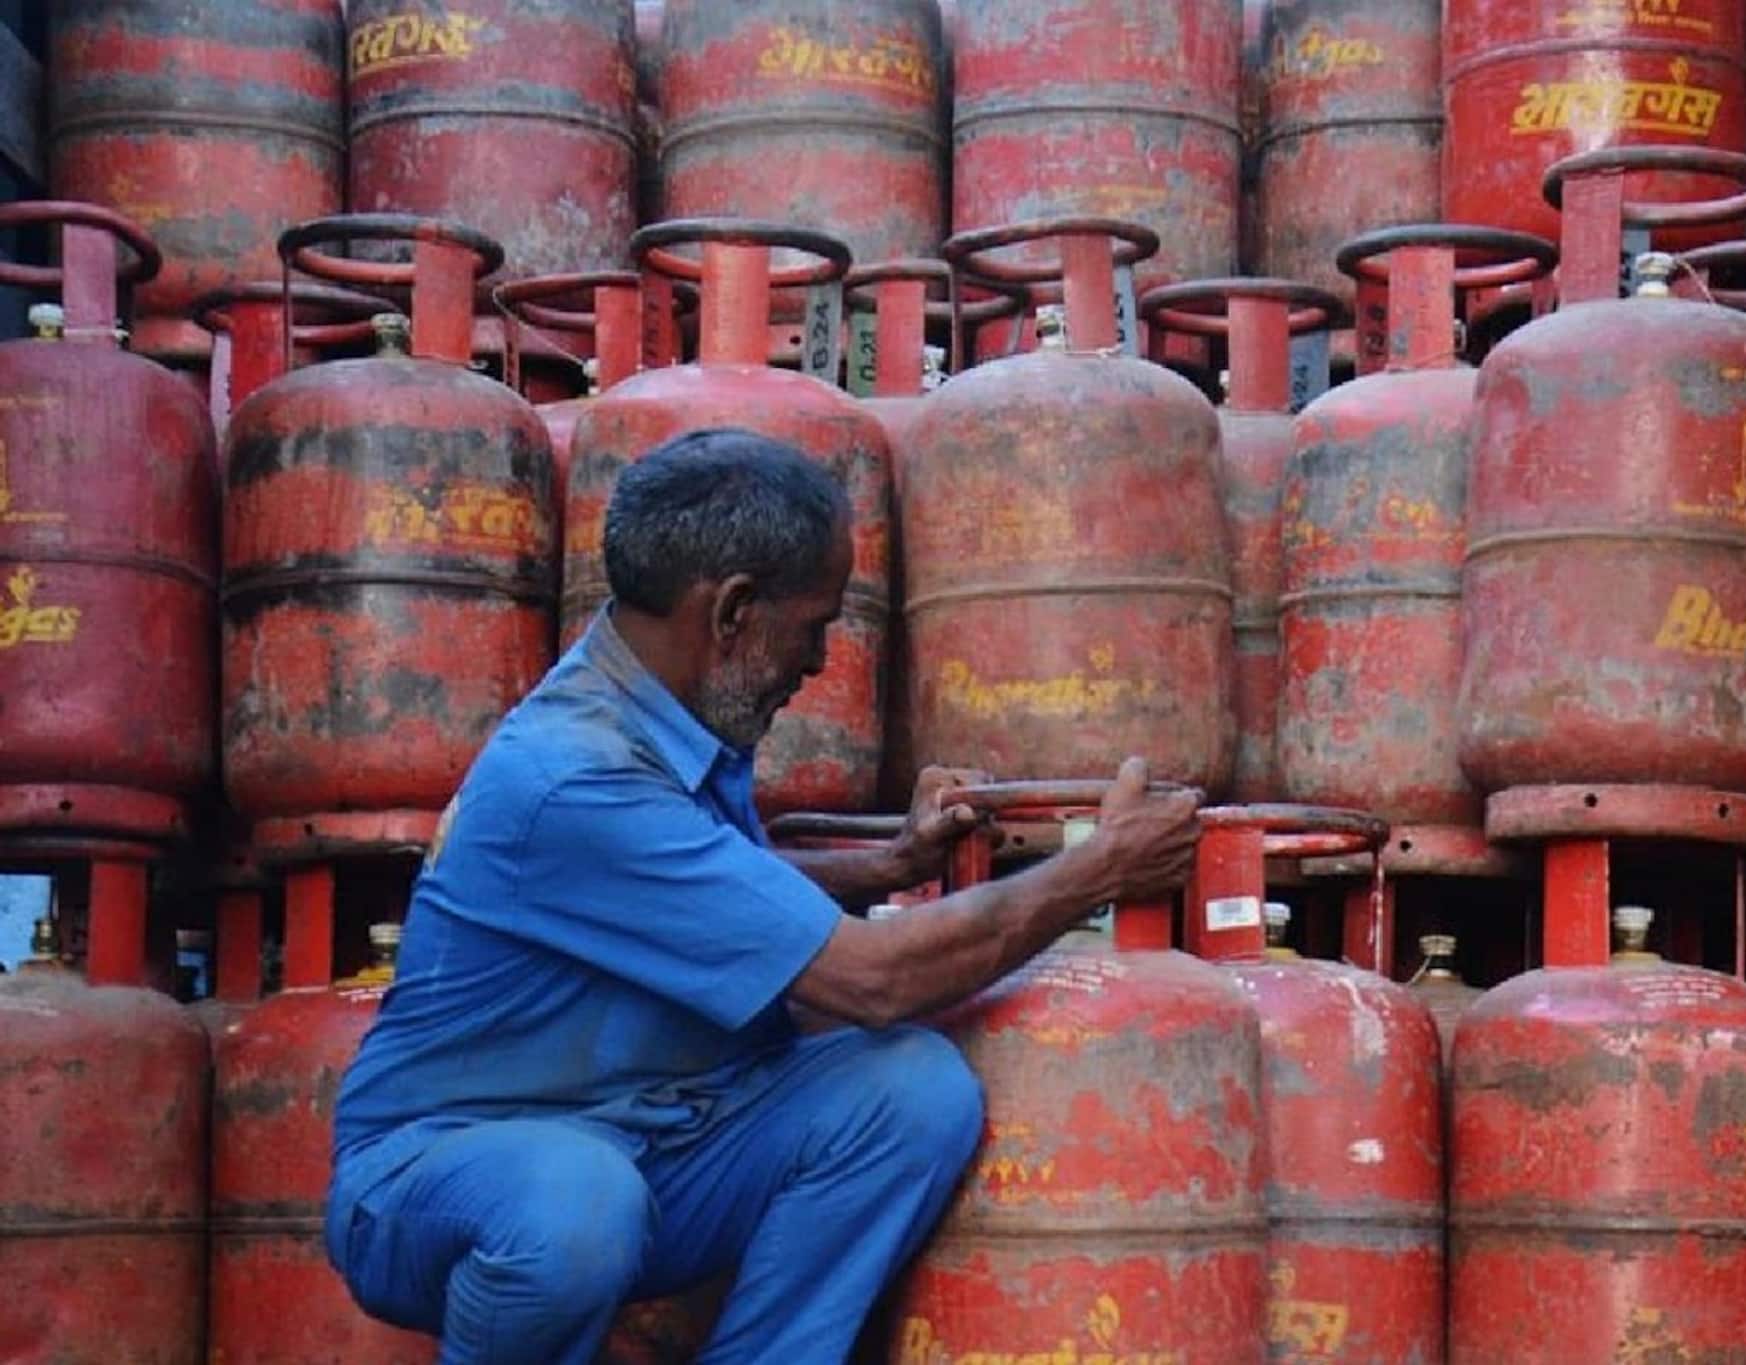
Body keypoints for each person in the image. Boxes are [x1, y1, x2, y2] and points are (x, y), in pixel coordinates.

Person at [324, 428, 1203, 1364]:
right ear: (734, 611)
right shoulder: (573, 776)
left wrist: (889, 864)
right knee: (575, 1204)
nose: (818, 660)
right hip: (444, 1169)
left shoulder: (664, 716)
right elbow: (873, 981)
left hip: (648, 1142)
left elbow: (701, 890)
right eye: (815, 624)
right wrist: (1100, 868)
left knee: (911, 1092)